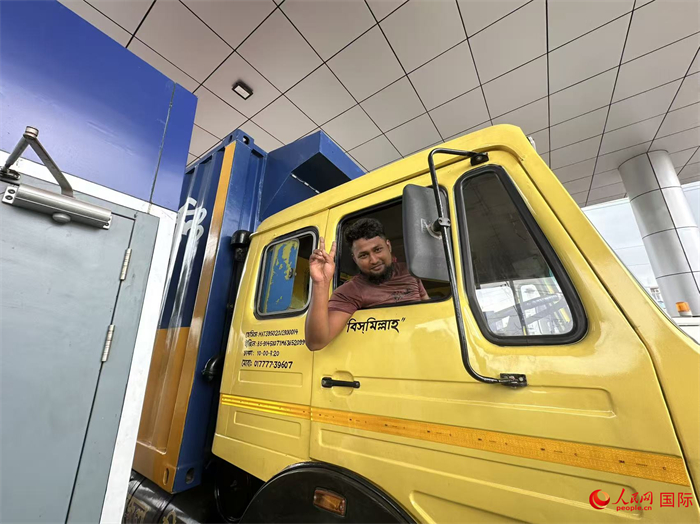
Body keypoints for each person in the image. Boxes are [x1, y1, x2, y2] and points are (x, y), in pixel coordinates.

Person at [304, 218, 429, 350]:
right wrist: (321, 283)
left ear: (388, 246)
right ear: (355, 259)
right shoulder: (350, 291)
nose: (373, 260)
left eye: (378, 250)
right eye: (364, 255)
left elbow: (427, 305)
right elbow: (316, 343)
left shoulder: (410, 272)